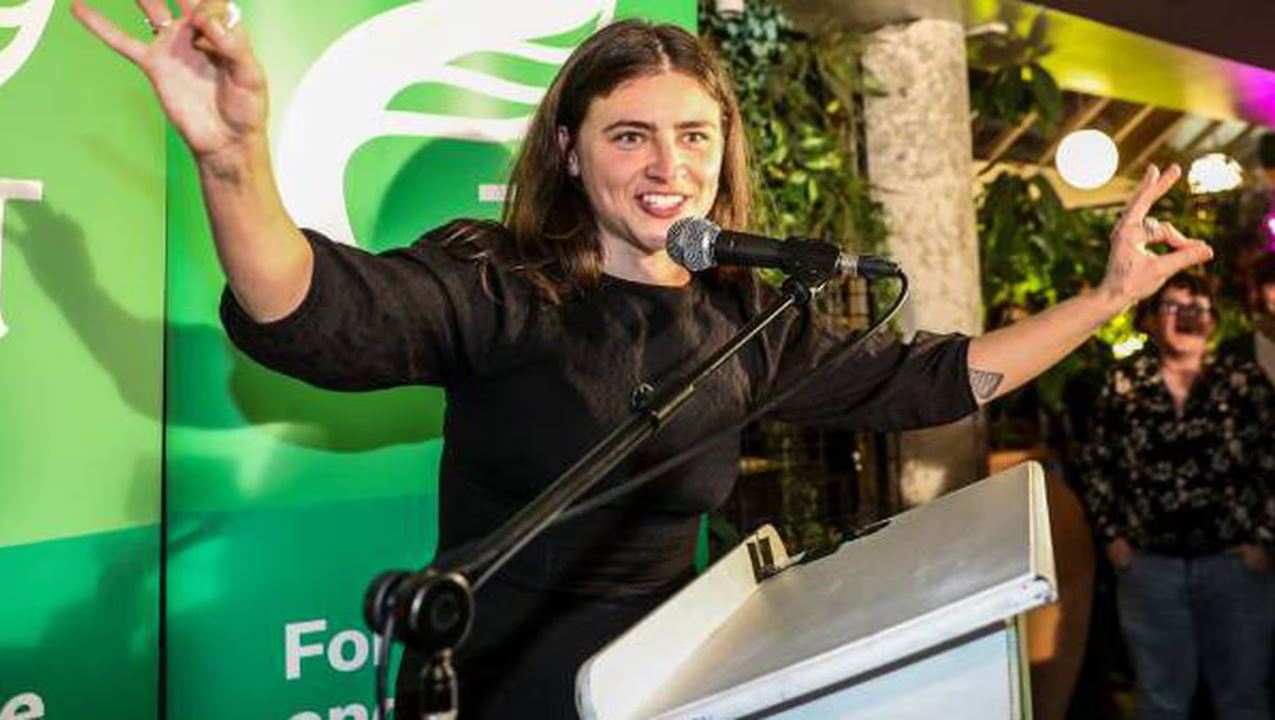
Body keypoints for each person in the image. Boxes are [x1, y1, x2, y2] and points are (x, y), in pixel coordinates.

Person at [71, 1, 1214, 716]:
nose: (668, 164)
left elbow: (933, 376)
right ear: (571, 153)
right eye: (631, 135)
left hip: (683, 684)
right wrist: (232, 161)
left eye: (694, 135)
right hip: (516, 688)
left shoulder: (746, 314)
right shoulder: (501, 284)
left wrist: (1107, 297)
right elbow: (316, 312)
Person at [1079, 273, 1275, 720]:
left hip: (1235, 563)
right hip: (1150, 568)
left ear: (1212, 319)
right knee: (1160, 700)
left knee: (1243, 698)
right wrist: (1113, 540)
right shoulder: (1124, 385)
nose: (1187, 317)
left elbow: (1270, 461)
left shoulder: (1242, 380)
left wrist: (1264, 539)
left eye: (1198, 308)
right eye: (1172, 307)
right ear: (1148, 320)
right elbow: (1095, 465)